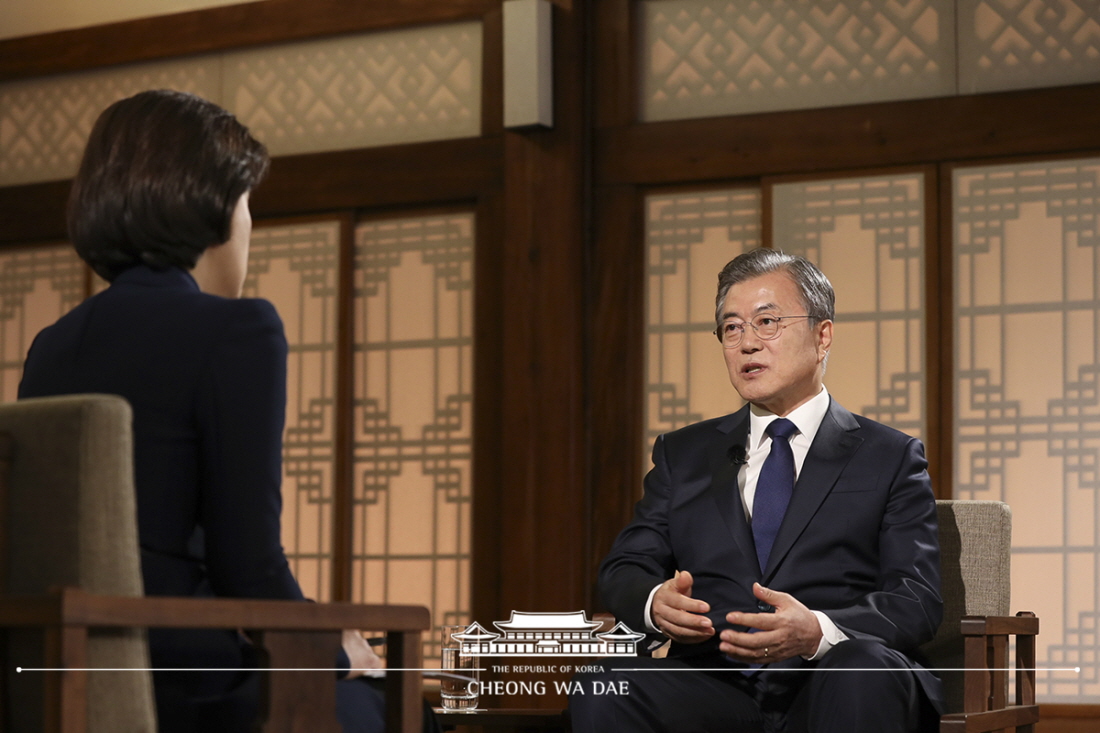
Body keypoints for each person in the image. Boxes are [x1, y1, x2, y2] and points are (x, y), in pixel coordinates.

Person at [18, 89, 438, 733]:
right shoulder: (238, 330)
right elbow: (249, 563)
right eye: (247, 204)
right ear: (212, 206)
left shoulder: (51, 346)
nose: (248, 226)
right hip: (198, 684)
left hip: (67, 676)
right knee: (399, 710)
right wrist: (330, 648)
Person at [569, 248, 943, 733]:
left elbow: (916, 597)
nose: (747, 343)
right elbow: (625, 567)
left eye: (767, 322)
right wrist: (654, 602)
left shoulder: (889, 455)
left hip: (830, 675)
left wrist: (816, 632)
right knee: (603, 682)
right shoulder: (685, 454)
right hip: (711, 682)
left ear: (822, 334)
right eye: (731, 328)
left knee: (863, 670)